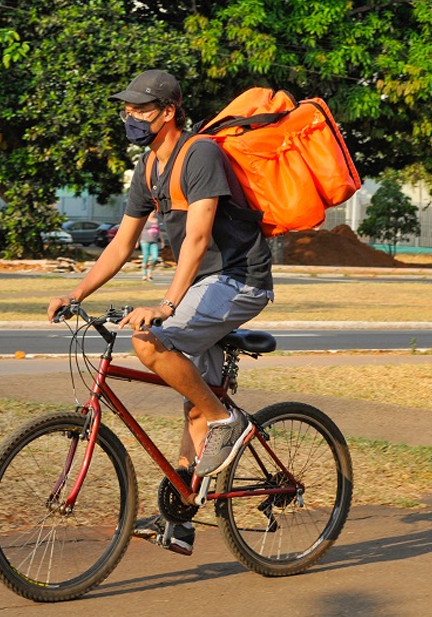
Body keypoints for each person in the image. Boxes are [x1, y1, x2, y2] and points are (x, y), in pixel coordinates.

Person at [47, 69, 273, 556]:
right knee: (195, 394)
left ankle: (225, 422)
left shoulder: (201, 154)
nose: (130, 117)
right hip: (204, 284)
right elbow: (123, 244)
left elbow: (196, 237)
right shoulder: (148, 167)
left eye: (140, 109)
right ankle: (183, 515)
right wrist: (77, 293)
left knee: (151, 342)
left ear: (168, 111)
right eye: (126, 109)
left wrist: (167, 304)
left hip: (238, 279)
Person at [139, 211, 163, 280]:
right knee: (145, 257)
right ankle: (144, 274)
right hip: (145, 241)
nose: (153, 213)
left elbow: (159, 231)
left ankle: (150, 271)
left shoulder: (156, 220)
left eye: (154, 212)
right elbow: (140, 231)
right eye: (152, 212)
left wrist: (162, 240)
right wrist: (137, 240)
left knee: (155, 258)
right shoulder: (145, 220)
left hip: (154, 242)